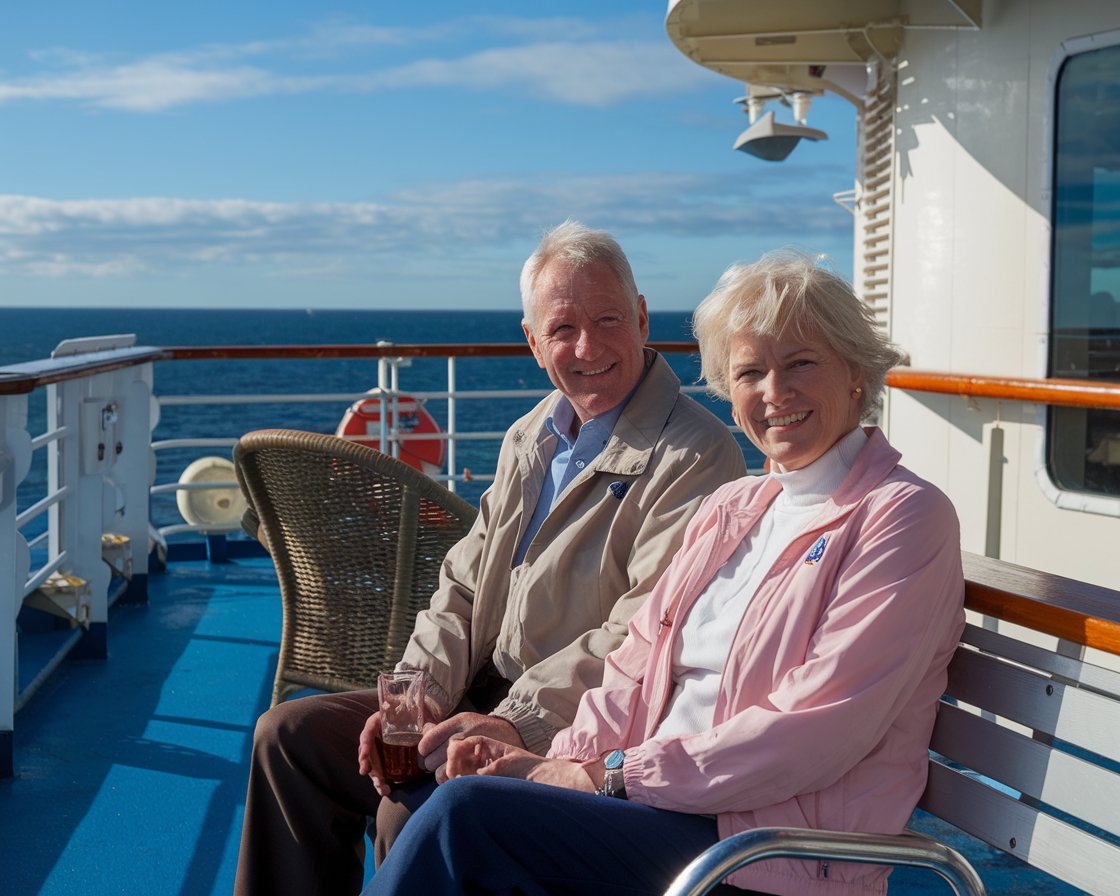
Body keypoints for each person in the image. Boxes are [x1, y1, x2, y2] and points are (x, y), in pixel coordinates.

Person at [362, 249, 966, 896]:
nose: (774, 392)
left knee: (466, 821)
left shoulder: (901, 517)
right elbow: (634, 666)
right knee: (462, 795)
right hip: (659, 810)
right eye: (750, 372)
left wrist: (610, 777)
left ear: (855, 373)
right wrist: (550, 764)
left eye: (801, 363)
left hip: (762, 855)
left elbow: (816, 729)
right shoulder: (736, 507)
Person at [232, 221, 747, 895]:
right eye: (562, 329)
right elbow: (464, 583)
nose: (587, 346)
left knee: (405, 807)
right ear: (534, 344)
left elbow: (640, 635)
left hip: (574, 724)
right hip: (477, 696)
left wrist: (512, 723)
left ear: (643, 317)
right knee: (287, 738)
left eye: (608, 319)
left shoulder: (696, 455)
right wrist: (417, 699)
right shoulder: (531, 435)